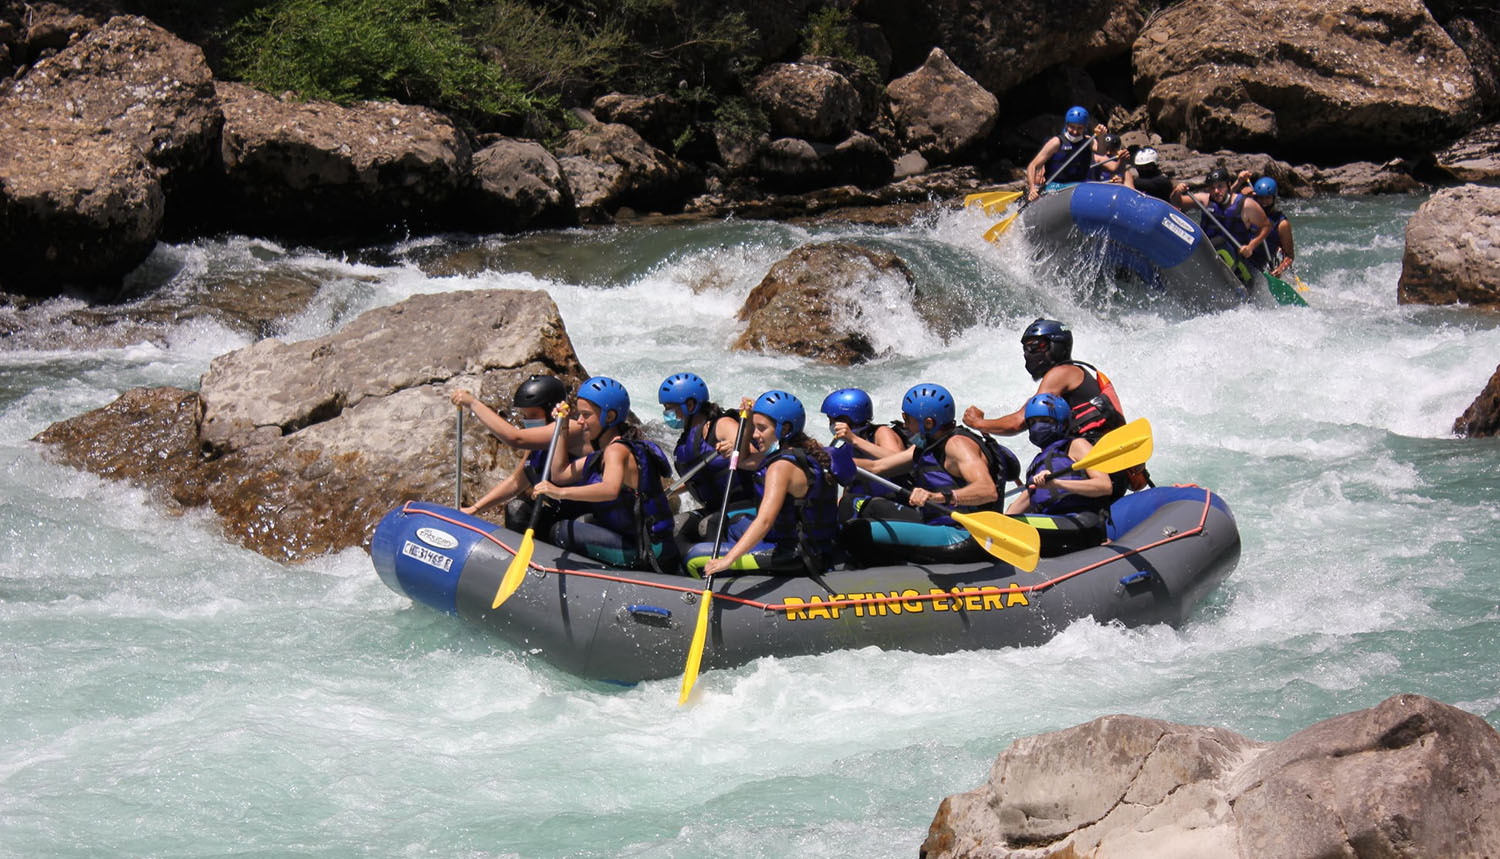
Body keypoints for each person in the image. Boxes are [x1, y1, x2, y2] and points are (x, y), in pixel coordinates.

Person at [842, 383, 1018, 566]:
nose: (905, 424)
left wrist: (938, 497)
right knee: (869, 507)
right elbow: (877, 467)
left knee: (857, 532)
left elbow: (987, 490)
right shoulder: (929, 446)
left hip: (965, 535)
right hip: (938, 525)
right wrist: (828, 459)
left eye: (907, 418)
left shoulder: (958, 445)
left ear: (928, 423)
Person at [964, 318, 1146, 495]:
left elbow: (1019, 421)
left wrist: (978, 422)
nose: (1029, 352)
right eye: (1026, 347)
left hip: (1095, 471)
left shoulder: (1061, 373)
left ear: (1057, 346)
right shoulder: (1077, 373)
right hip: (1107, 470)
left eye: (1036, 346)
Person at [687, 390, 841, 577]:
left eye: (761, 428)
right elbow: (743, 460)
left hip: (795, 554)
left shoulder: (781, 467)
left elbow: (765, 521)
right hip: (809, 543)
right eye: (754, 427)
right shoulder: (811, 453)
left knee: (695, 558)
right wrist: (747, 423)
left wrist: (728, 560)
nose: (756, 434)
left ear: (783, 429)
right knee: (735, 522)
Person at [533, 376, 680, 572]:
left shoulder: (617, 451)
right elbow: (559, 475)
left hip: (650, 551)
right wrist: (563, 426)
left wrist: (560, 493)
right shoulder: (605, 452)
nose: (581, 421)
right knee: (581, 521)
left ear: (609, 417)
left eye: (586, 415)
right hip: (632, 538)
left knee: (562, 531)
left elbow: (609, 489)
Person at [451, 375, 583, 527]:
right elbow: (515, 482)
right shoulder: (537, 444)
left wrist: (473, 403)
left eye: (533, 415)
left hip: (584, 521)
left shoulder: (569, 429)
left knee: (568, 529)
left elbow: (516, 439)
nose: (527, 420)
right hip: (560, 515)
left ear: (551, 411)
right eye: (525, 415)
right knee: (516, 509)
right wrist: (474, 509)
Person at [1005, 393, 1113, 556]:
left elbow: (1104, 486)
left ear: (1062, 424)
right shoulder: (1037, 465)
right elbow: (1015, 511)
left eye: (1044, 421)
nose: (1037, 426)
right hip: (1053, 524)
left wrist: (1058, 483)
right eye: (1032, 422)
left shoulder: (1076, 445)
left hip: (1082, 520)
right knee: (1008, 524)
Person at [657, 372, 754, 542]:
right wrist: (662, 494)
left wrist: (734, 447)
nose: (667, 413)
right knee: (676, 526)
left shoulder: (721, 425)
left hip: (743, 506)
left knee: (706, 526)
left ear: (691, 405)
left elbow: (749, 453)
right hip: (715, 508)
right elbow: (698, 479)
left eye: (670, 407)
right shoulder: (685, 440)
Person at [822, 387, 909, 521]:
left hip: (894, 507)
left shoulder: (881, 432)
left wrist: (854, 439)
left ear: (848, 419)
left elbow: (900, 461)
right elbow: (849, 490)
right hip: (864, 510)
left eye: (833, 420)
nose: (831, 425)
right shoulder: (846, 448)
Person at [1172, 166, 1273, 280]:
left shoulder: (1246, 205)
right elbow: (1177, 202)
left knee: (1219, 243)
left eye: (1220, 186)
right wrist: (1177, 191)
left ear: (1228, 185)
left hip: (1239, 265)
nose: (1216, 191)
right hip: (1209, 258)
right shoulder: (1204, 200)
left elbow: (1266, 226)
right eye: (1212, 187)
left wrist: (1251, 246)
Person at [1025, 105, 1104, 201]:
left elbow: (1101, 152)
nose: (1075, 131)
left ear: (1085, 128)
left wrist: (1101, 136)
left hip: (1079, 186)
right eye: (1072, 127)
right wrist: (1032, 188)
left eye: (1079, 128)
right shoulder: (1056, 142)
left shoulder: (1088, 141)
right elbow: (1033, 165)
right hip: (1056, 186)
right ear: (1066, 125)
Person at [1242, 176, 1296, 278]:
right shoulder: (1248, 211)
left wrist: (1280, 269)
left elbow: (1289, 255)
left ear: (1274, 198)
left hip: (1259, 266)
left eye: (1267, 198)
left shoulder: (1282, 223)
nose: (1264, 202)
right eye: (1260, 198)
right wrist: (1241, 194)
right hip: (1243, 257)